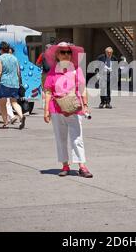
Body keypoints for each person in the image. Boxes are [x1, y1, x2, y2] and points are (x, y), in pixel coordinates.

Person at [43, 42, 93, 178]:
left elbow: (82, 88)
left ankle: (82, 165)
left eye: (68, 52)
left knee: (77, 138)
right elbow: (48, 91)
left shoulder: (76, 70)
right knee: (61, 138)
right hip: (56, 108)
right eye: (63, 52)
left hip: (74, 108)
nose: (66, 55)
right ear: (57, 55)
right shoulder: (52, 71)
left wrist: (86, 105)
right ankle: (65, 165)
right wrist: (46, 110)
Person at [0, 41, 26, 129]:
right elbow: (18, 72)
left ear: (1, 50)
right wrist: (19, 83)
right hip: (15, 83)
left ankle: (5, 122)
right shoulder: (15, 58)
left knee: (3, 103)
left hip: (4, 83)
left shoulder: (0, 58)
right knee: (14, 102)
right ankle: (21, 116)